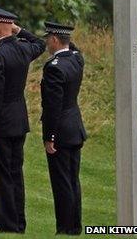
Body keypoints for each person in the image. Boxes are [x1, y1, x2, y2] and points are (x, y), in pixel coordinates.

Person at [0, 5, 45, 233]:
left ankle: (8, 226)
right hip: (18, 121)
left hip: (1, 125)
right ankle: (18, 224)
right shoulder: (22, 49)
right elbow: (41, 43)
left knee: (1, 179)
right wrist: (18, 30)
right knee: (16, 175)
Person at [40, 21, 86, 235]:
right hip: (74, 127)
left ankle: (65, 228)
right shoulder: (76, 60)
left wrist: (49, 136)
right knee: (73, 180)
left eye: (48, 38)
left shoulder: (54, 68)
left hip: (60, 131)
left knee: (62, 183)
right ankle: (75, 226)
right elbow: (73, 48)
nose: (47, 42)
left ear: (55, 40)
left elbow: (52, 106)